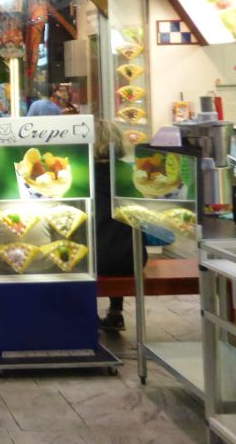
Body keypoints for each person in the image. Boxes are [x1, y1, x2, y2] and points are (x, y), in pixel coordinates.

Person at [94, 121, 147, 331]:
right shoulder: (129, 172)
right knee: (119, 236)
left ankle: (86, 313)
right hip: (133, 259)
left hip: (97, 259)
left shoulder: (83, 173)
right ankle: (116, 312)